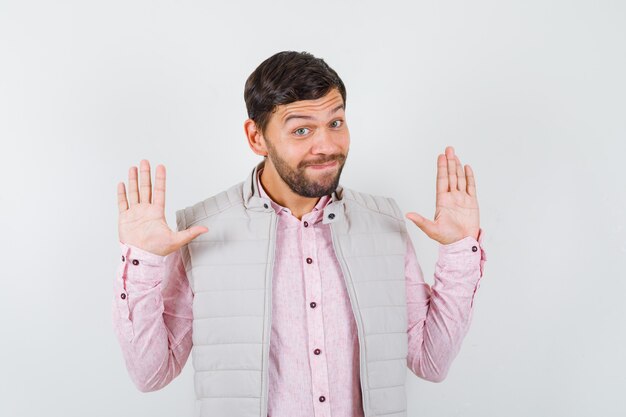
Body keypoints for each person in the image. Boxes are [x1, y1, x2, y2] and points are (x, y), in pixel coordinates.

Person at [112, 50, 487, 417]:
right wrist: (142, 259)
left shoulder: (383, 223)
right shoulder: (202, 229)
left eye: (335, 123)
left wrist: (458, 250)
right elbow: (152, 374)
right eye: (302, 129)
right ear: (256, 137)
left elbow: (430, 362)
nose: (326, 145)